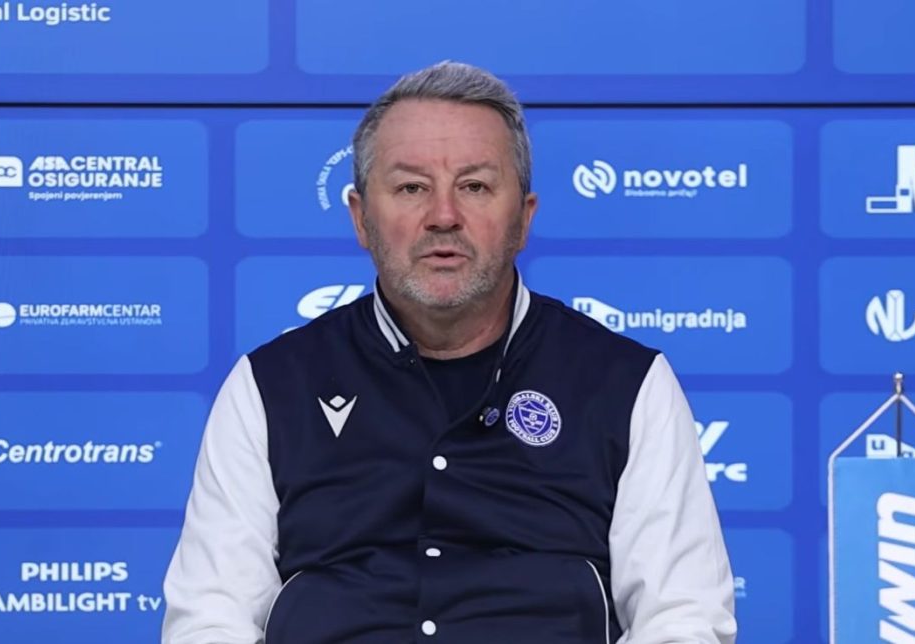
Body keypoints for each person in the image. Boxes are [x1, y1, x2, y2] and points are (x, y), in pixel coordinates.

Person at [162, 61, 737, 644]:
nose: (443, 217)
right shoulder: (269, 387)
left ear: (523, 219)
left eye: (475, 187)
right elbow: (210, 620)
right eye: (411, 188)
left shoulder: (627, 384)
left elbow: (683, 620)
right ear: (361, 218)